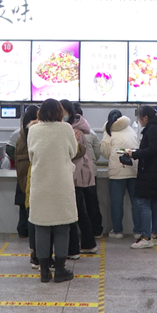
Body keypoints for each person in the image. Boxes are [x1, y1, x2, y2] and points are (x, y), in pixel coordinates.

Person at [27, 99, 79, 283]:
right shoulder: (66, 129)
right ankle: (60, 270)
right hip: (61, 185)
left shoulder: (33, 130)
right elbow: (73, 151)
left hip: (40, 185)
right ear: (60, 112)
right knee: (62, 228)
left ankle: (44, 271)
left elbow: (31, 155)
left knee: (41, 227)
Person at [128, 106, 157, 249]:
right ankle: (155, 235)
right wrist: (138, 151)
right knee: (154, 204)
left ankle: (146, 237)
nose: (139, 121)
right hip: (156, 172)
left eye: (140, 118)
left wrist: (135, 154)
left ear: (145, 117)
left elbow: (152, 150)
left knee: (143, 204)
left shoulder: (152, 129)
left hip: (149, 173)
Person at [61, 100, 102, 251]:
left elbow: (74, 153)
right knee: (82, 209)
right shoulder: (77, 129)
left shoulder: (74, 131)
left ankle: (82, 245)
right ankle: (87, 242)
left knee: (78, 210)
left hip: (75, 174)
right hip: (79, 174)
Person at [100, 110, 141, 239]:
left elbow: (105, 151)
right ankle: (138, 231)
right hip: (133, 169)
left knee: (117, 203)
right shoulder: (131, 129)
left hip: (117, 172)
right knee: (136, 203)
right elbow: (138, 146)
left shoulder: (109, 130)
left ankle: (117, 231)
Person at [73, 103, 104, 239]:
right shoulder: (91, 133)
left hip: (75, 174)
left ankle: (79, 234)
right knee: (92, 203)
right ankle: (96, 230)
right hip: (91, 172)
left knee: (78, 205)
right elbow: (97, 154)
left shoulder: (69, 133)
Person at [15, 105, 40, 267]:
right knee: (36, 218)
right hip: (34, 179)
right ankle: (37, 253)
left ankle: (34, 251)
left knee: (28, 211)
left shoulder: (20, 135)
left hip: (24, 177)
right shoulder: (36, 133)